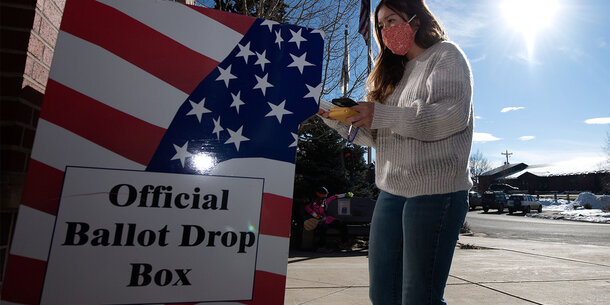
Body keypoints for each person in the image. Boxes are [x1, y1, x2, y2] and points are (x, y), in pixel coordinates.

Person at [318, 0, 473, 303]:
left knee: (418, 297)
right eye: (380, 25)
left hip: (435, 192)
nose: (385, 30)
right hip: (391, 193)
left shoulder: (445, 56)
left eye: (392, 20)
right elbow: (377, 136)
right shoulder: (393, 77)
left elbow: (450, 117)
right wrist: (331, 116)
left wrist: (381, 115)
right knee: (383, 295)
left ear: (415, 20)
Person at [304, 187, 351, 251]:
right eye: (320, 198)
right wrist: (317, 217)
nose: (322, 200)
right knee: (324, 227)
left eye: (323, 198)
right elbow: (309, 211)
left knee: (342, 225)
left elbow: (335, 196)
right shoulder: (310, 205)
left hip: (327, 219)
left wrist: (345, 194)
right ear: (316, 197)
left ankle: (344, 244)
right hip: (318, 222)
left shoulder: (326, 201)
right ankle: (322, 246)